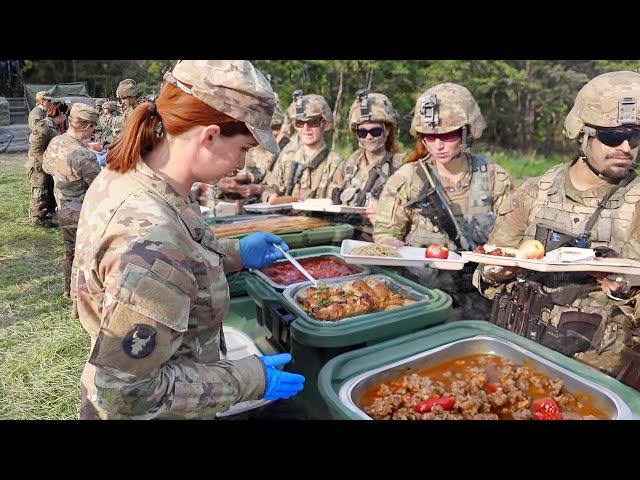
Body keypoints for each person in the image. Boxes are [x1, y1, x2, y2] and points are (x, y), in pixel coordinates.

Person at [72, 60, 305, 419]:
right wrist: (247, 379)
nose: (242, 165)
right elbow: (126, 393)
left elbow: (180, 251)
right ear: (209, 135)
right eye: (243, 148)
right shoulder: (148, 235)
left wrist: (235, 253)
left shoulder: (136, 175)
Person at [476, 71, 640, 392]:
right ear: (582, 134)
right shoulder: (534, 193)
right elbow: (486, 272)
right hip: (514, 360)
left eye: (635, 136)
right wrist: (496, 272)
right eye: (611, 135)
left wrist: (624, 291)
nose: (625, 147)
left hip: (594, 382)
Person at [373, 83, 514, 321]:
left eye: (448, 136)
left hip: (479, 296)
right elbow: (385, 233)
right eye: (430, 136)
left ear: (467, 132)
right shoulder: (407, 179)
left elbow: (510, 240)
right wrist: (395, 249)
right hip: (422, 295)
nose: (438, 145)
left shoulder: (494, 177)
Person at [42, 103, 102, 298]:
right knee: (85, 256)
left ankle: (68, 290)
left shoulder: (56, 142)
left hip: (63, 207)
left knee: (70, 251)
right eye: (93, 126)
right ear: (87, 127)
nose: (94, 130)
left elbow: (46, 167)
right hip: (82, 213)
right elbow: (98, 188)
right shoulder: (84, 156)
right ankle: (81, 296)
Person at [329, 89, 406, 239]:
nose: (369, 137)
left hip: (380, 240)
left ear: (387, 130)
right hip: (344, 236)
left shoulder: (401, 167)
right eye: (362, 132)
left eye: (375, 131)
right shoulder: (348, 166)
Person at [262, 91, 343, 203]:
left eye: (313, 122)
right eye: (300, 123)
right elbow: (271, 186)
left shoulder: (336, 164)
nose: (306, 129)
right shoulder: (287, 158)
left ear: (325, 124)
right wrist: (271, 197)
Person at [26, 101, 68, 226]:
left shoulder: (54, 126)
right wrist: (45, 164)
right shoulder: (44, 125)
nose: (66, 117)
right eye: (66, 114)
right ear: (60, 113)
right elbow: (36, 148)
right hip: (39, 167)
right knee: (40, 192)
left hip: (48, 166)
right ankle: (37, 219)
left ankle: (47, 215)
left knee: (48, 192)